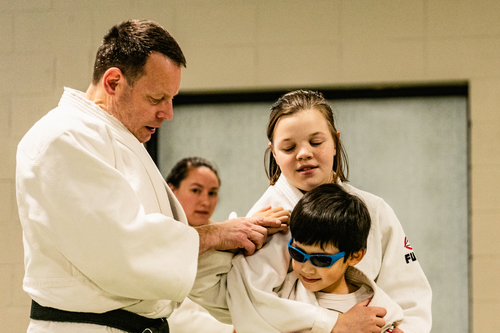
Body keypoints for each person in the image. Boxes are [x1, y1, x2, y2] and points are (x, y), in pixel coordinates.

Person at [15, 20, 286, 333]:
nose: (168, 113)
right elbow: (120, 249)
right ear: (113, 82)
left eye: (171, 99)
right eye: (156, 99)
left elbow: (164, 256)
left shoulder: (118, 136)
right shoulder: (63, 137)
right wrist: (215, 234)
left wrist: (245, 247)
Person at [225, 90, 432, 333]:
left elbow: (410, 293)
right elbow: (251, 306)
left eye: (315, 142)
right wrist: (333, 325)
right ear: (274, 153)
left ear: (336, 142)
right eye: (289, 147)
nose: (304, 154)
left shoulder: (374, 211)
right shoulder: (264, 220)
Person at [280, 183, 404, 333]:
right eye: (297, 253)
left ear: (354, 256)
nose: (306, 268)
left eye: (321, 260)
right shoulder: (282, 294)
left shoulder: (379, 311)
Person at [165, 157, 234, 333]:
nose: (205, 201)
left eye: (212, 193)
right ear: (171, 190)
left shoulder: (230, 242)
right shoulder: (159, 239)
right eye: (196, 190)